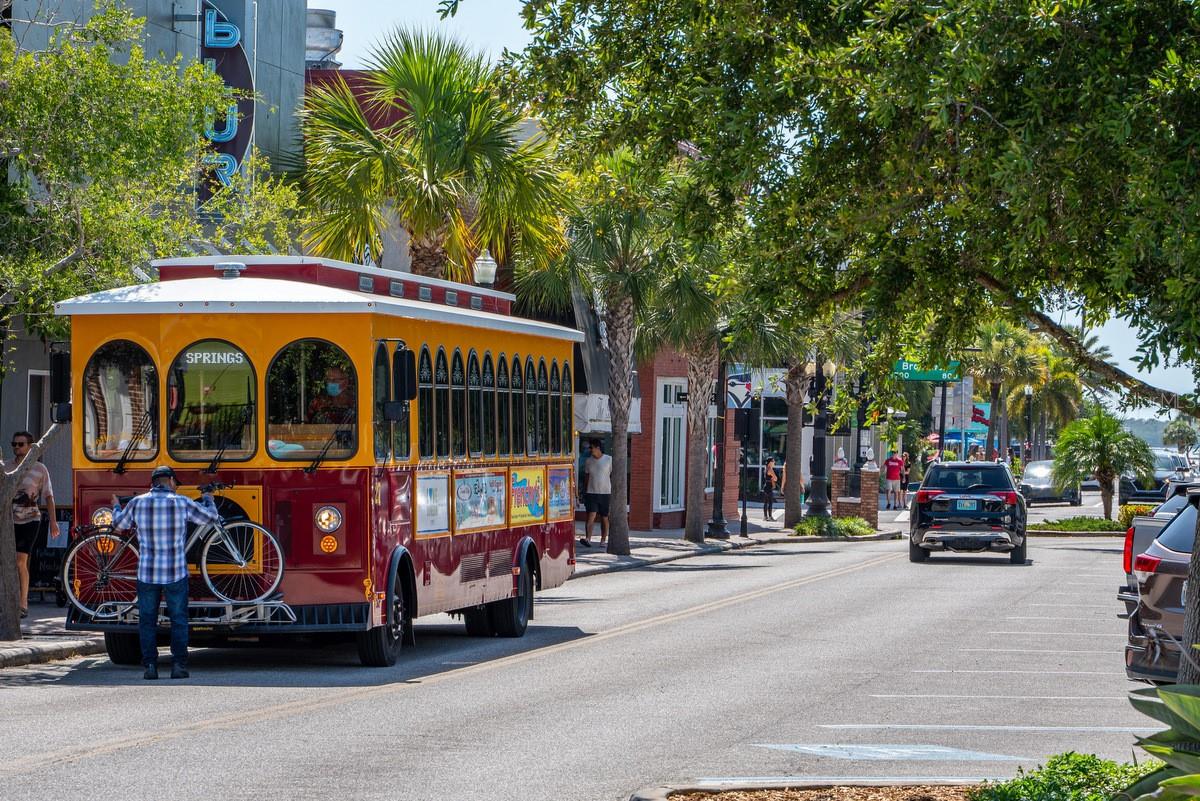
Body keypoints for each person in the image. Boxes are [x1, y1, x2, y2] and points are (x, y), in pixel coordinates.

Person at [111, 465, 221, 680]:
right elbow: (211, 519)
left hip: (147, 573)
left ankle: (150, 667)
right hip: (175, 572)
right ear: (170, 481)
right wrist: (208, 498)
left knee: (147, 620)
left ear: (152, 483)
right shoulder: (181, 502)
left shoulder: (138, 502)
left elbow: (118, 525)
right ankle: (178, 666)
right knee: (179, 619)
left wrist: (115, 507)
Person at [9, 431, 55, 619]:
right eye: (14, 444)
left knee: (20, 560)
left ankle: (23, 602)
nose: (17, 448)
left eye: (21, 444)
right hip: (8, 521)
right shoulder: (6, 468)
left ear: (30, 446)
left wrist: (53, 522)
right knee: (8, 562)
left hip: (30, 519)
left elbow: (49, 496)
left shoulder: (40, 469)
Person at [579, 438, 612, 547]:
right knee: (590, 516)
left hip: (605, 493)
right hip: (591, 492)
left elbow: (613, 474)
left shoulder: (608, 459)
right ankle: (588, 539)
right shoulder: (588, 461)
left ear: (598, 448)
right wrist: (584, 490)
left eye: (591, 448)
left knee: (604, 517)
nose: (590, 450)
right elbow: (587, 476)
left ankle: (603, 540)